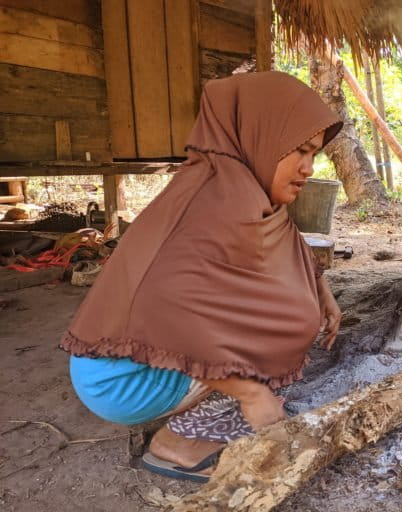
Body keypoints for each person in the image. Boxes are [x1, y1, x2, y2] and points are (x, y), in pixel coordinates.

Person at [60, 72, 344, 482]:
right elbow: (169, 307)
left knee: (286, 320)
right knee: (275, 334)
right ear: (257, 135)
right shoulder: (213, 204)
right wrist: (251, 393)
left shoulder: (238, 188)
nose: (308, 167)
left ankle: (201, 414)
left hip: (133, 358)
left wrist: (322, 292)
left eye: (314, 153)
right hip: (119, 379)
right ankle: (179, 446)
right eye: (300, 150)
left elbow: (286, 251)